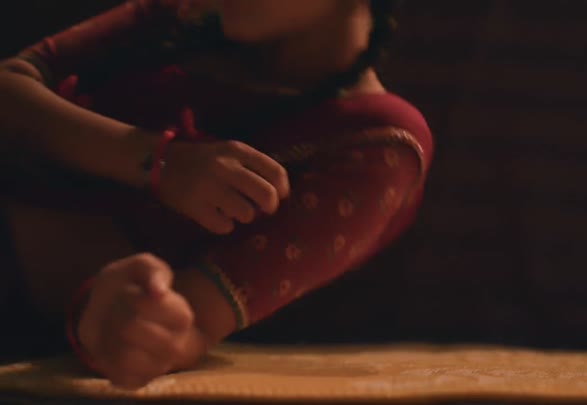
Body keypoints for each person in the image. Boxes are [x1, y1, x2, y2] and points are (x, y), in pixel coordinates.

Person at [0, 0, 433, 390]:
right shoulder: (182, 15)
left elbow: (186, 323)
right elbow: (9, 83)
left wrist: (127, 325)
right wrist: (157, 161)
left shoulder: (376, 142)